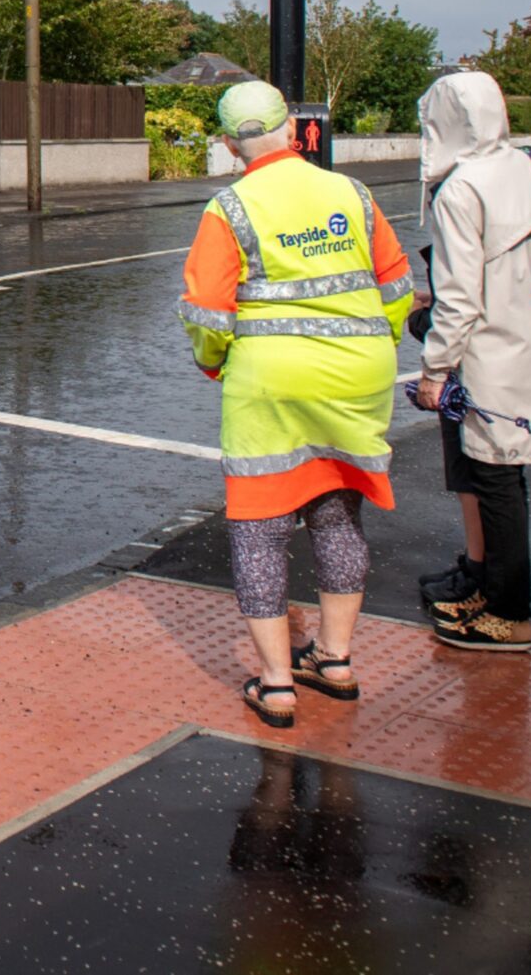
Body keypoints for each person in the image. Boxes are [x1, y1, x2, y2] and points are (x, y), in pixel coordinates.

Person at [178, 81, 415, 728]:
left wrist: (213, 361)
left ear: (229, 145)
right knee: (339, 515)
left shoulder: (230, 207)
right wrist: (376, 340)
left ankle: (277, 682)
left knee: (260, 529)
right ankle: (334, 660)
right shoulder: (352, 194)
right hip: (357, 375)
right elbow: (397, 284)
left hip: (271, 385)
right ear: (292, 129)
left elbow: (206, 312)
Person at [411, 70, 531, 651]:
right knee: (507, 477)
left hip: (487, 355)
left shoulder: (460, 189)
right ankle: (488, 591)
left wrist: (434, 370)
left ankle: (509, 615)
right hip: (528, 341)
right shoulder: (522, 166)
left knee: (495, 482)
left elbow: (460, 296)